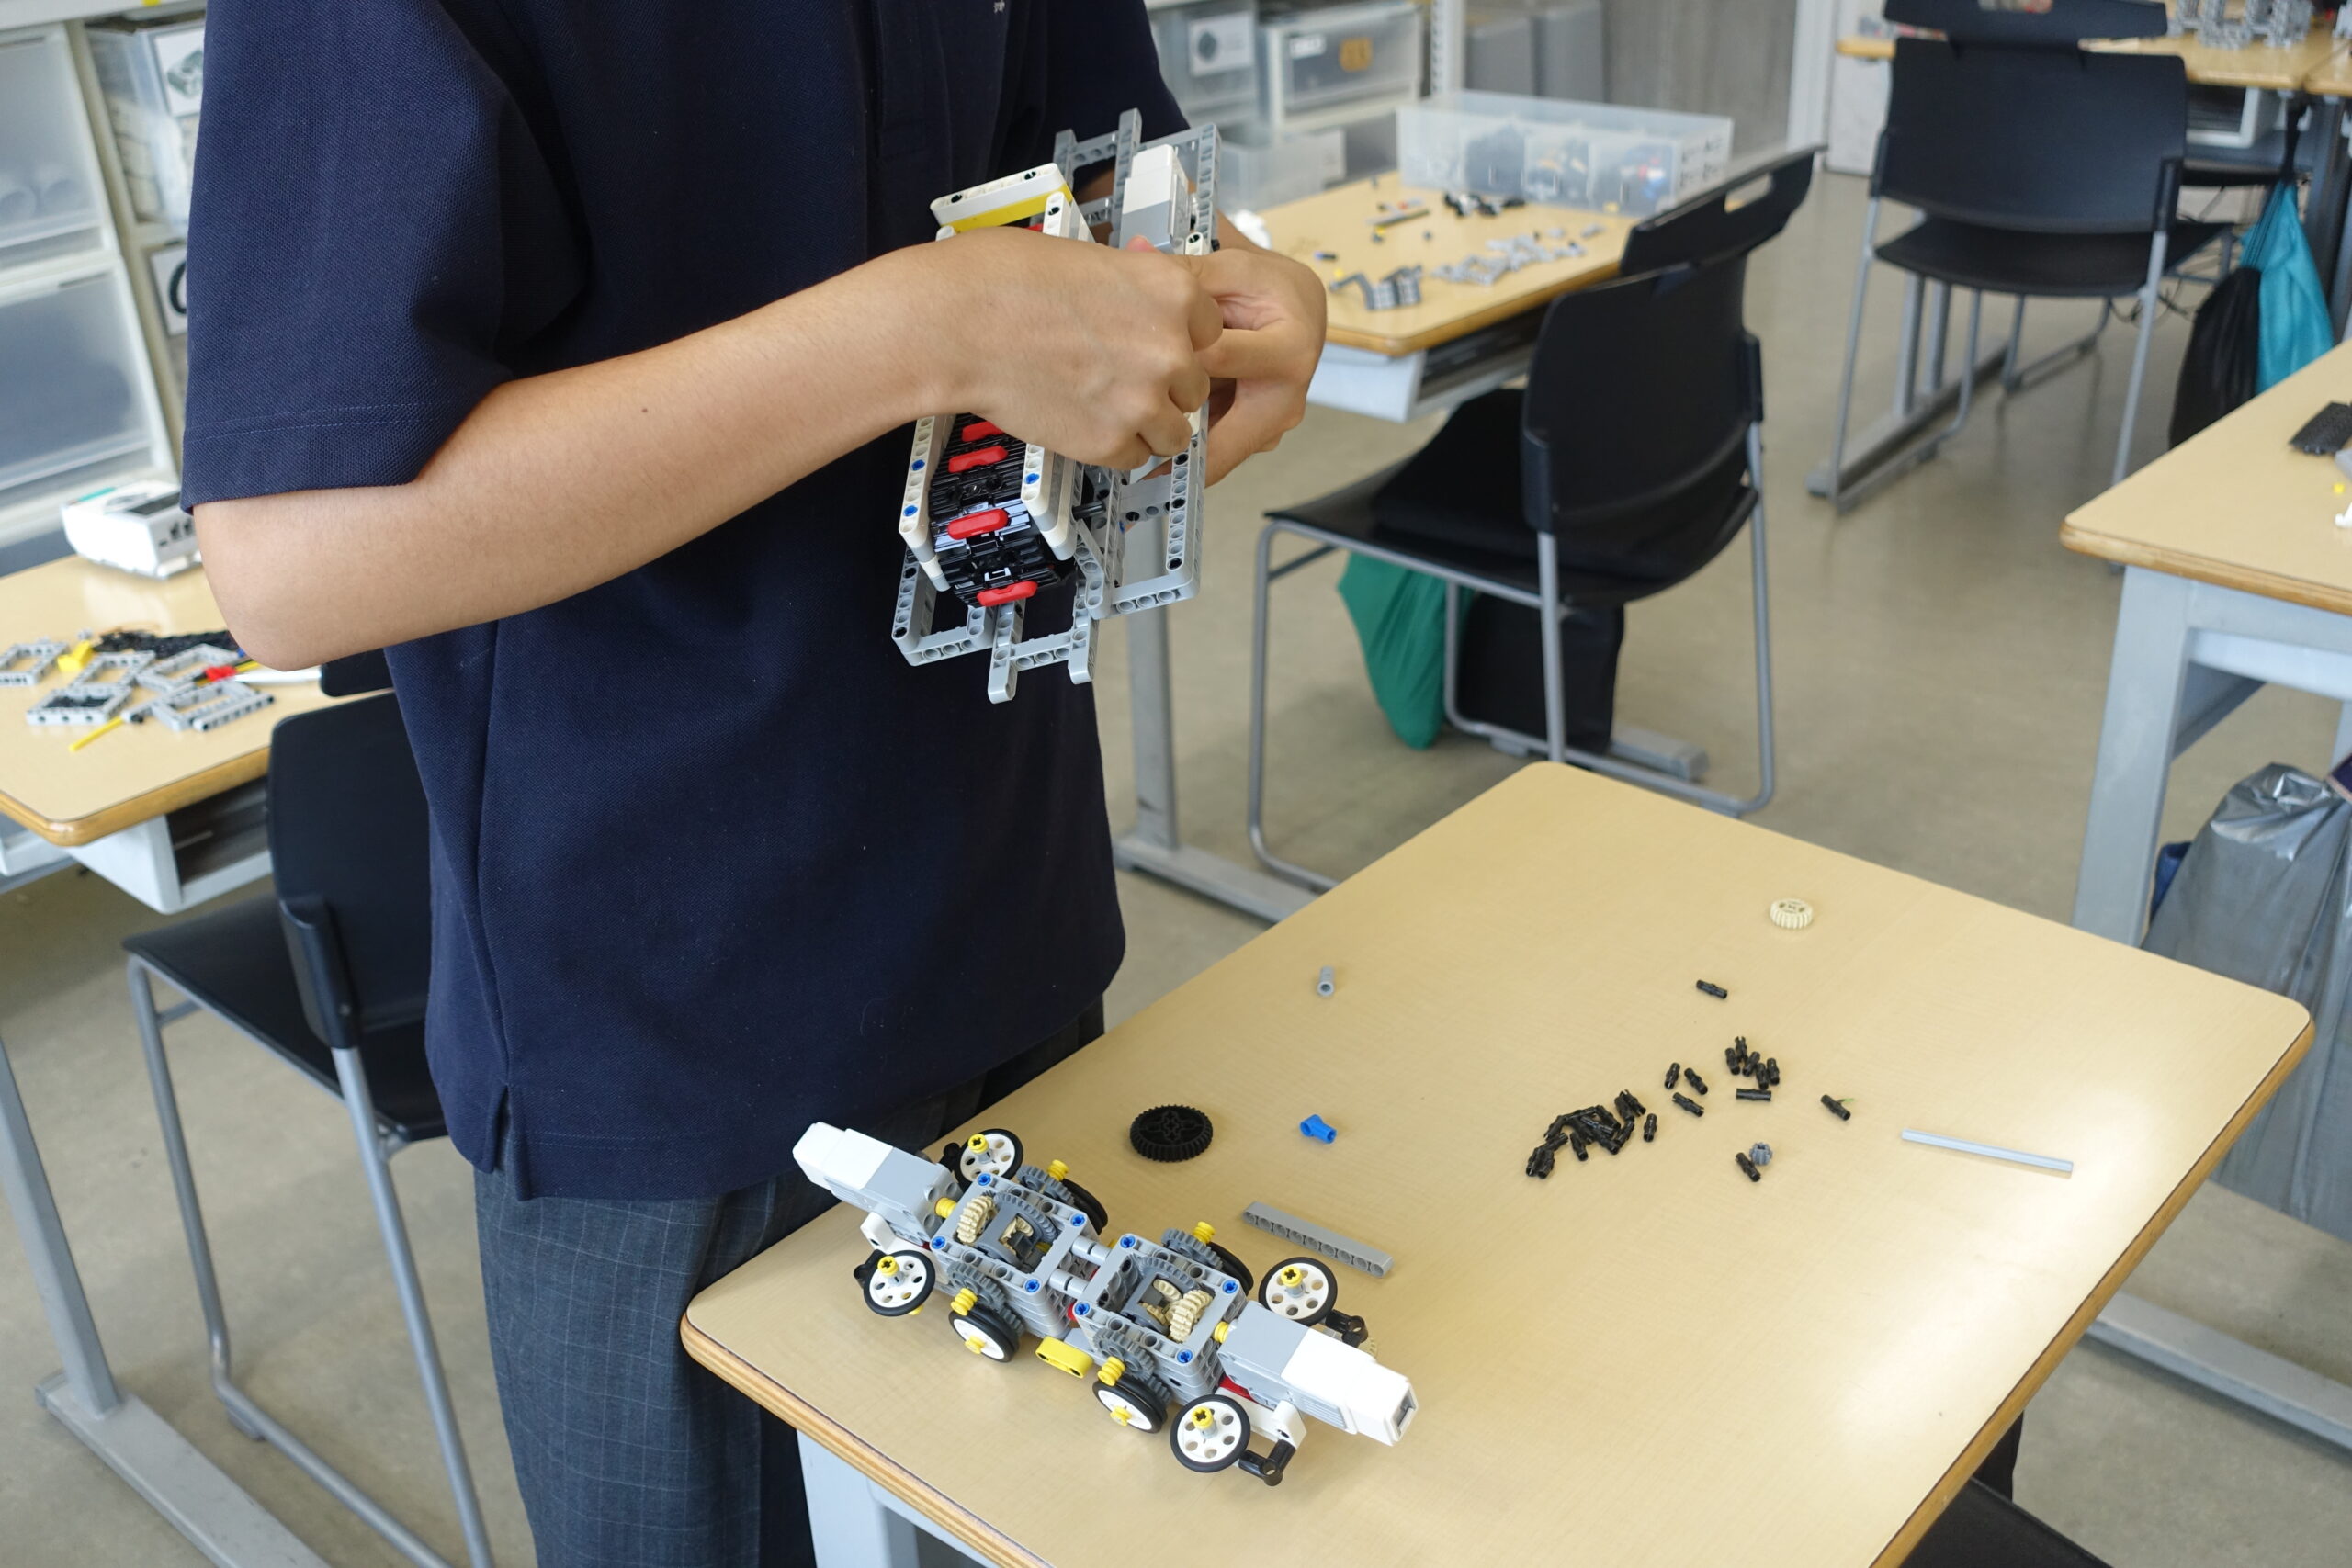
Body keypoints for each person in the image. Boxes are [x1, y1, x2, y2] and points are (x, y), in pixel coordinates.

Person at [179, 3, 1323, 1563]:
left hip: (1012, 925)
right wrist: (916, 332)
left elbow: (1102, 200)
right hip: (675, 1036)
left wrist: (1226, 296)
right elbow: (297, 561)